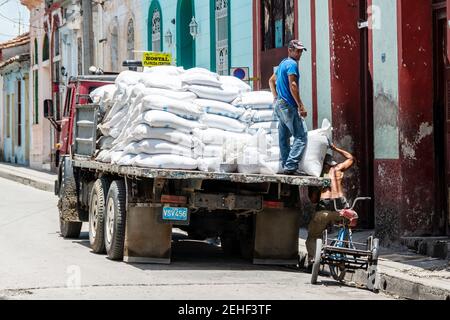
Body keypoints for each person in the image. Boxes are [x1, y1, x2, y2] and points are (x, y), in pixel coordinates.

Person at [305, 143, 355, 269]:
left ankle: (312, 259)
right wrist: (335, 148)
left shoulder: (317, 175)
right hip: (341, 209)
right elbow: (351, 158)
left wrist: (316, 187)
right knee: (346, 225)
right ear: (332, 163)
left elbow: (313, 200)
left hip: (324, 210)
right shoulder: (338, 170)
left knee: (313, 236)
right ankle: (343, 250)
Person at [269, 40, 309, 175]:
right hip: (288, 105)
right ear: (290, 50)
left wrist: (276, 98)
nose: (299, 54)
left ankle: (286, 165)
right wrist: (301, 106)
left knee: (284, 136)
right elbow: (293, 86)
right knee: (301, 136)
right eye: (297, 50)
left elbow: (271, 80)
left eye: (301, 51)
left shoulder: (282, 64)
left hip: (280, 105)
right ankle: (291, 166)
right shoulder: (292, 64)